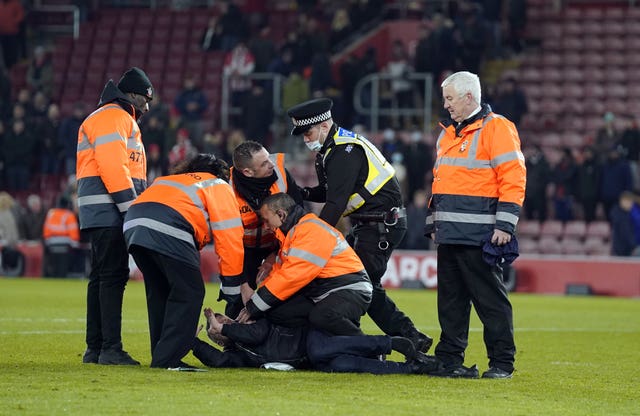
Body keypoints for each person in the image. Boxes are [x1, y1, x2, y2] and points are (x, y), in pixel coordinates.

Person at [286, 97, 432, 352]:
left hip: (379, 226)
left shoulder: (344, 151)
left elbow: (336, 203)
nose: (306, 139)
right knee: (360, 285)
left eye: (308, 132)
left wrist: (315, 241)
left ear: (323, 125)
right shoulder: (335, 148)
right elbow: (331, 192)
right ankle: (408, 338)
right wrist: (304, 194)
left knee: (356, 286)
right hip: (370, 224)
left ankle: (364, 344)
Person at [424, 71, 526, 379]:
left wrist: (505, 226)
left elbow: (514, 177)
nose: (446, 106)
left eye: (450, 99)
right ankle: (450, 360)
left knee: (490, 301)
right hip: (451, 234)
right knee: (450, 303)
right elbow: (440, 182)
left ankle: (502, 363)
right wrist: (434, 223)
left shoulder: (498, 129)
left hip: (481, 234)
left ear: (469, 97)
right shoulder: (448, 133)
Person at [124, 154, 245, 369]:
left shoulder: (169, 180)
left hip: (133, 225)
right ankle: (168, 360)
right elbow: (229, 237)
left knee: (160, 292)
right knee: (190, 293)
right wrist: (232, 287)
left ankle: (161, 355)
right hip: (169, 226)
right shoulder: (217, 184)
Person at [76, 67, 154, 365]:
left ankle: (95, 348)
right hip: (110, 210)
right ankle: (110, 348)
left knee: (100, 278)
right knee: (112, 277)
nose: (147, 107)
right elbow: (114, 169)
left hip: (99, 210)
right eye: (145, 99)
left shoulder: (107, 117)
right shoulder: (115, 117)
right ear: (132, 95)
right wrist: (131, 209)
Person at [238, 193, 372, 337]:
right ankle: (307, 349)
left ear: (281, 215)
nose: (265, 227)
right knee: (277, 313)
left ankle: (370, 349)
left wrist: (254, 306)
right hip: (326, 290)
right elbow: (280, 275)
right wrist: (256, 301)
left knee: (322, 316)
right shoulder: (291, 234)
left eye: (266, 220)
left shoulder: (310, 230)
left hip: (350, 288)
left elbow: (292, 276)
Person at [193, 307, 439, 375]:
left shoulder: (257, 320)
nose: (222, 323)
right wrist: (191, 342)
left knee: (319, 350)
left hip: (314, 334)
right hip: (309, 358)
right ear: (218, 340)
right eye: (217, 326)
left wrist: (226, 327)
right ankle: (409, 367)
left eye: (223, 318)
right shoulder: (239, 354)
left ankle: (391, 343)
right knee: (339, 366)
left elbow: (257, 335)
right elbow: (219, 361)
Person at [225, 141, 304, 318]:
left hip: (281, 244)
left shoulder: (282, 176)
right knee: (238, 300)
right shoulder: (226, 187)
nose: (272, 165)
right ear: (247, 172)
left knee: (286, 297)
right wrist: (244, 283)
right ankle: (232, 340)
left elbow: (298, 222)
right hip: (243, 251)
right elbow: (228, 243)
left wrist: (274, 256)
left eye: (269, 158)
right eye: (264, 163)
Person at [42, 202, 80, 278]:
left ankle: (53, 276)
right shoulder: (69, 214)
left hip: (52, 242)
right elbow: (73, 230)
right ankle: (62, 276)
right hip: (65, 243)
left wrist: (47, 240)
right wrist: (75, 243)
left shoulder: (51, 213)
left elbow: (46, 228)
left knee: (54, 264)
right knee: (63, 264)